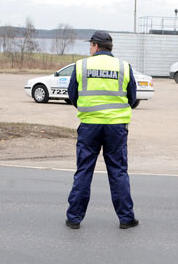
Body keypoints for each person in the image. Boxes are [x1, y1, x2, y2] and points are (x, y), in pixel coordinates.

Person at [65, 31, 139, 230]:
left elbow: (72, 95)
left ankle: (74, 218)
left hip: (90, 126)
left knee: (84, 170)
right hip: (116, 127)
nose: (90, 49)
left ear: (96, 46)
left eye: (91, 46)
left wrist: (88, 110)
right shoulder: (124, 67)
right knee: (118, 172)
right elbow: (132, 98)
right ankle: (126, 218)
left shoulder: (82, 65)